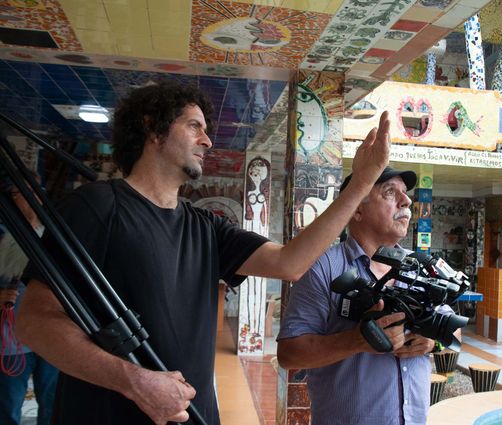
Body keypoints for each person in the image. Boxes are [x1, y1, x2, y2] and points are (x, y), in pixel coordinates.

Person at [15, 80, 390, 425]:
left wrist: (362, 183)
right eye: (194, 126)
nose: (208, 141)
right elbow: (35, 322)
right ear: (152, 128)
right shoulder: (97, 207)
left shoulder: (205, 227)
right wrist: (135, 381)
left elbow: (290, 263)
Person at [277, 167, 460, 425]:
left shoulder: (419, 267)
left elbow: (454, 329)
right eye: (389, 192)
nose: (406, 201)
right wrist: (359, 341)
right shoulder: (323, 268)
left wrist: (433, 342)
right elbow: (288, 353)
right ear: (357, 209)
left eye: (405, 194)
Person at [0, 185, 58, 425]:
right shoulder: (3, 234)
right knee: (8, 408)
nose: (31, 198)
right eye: (22, 193)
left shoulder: (54, 236)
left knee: (52, 405)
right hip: (11, 340)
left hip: (51, 338)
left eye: (35, 192)